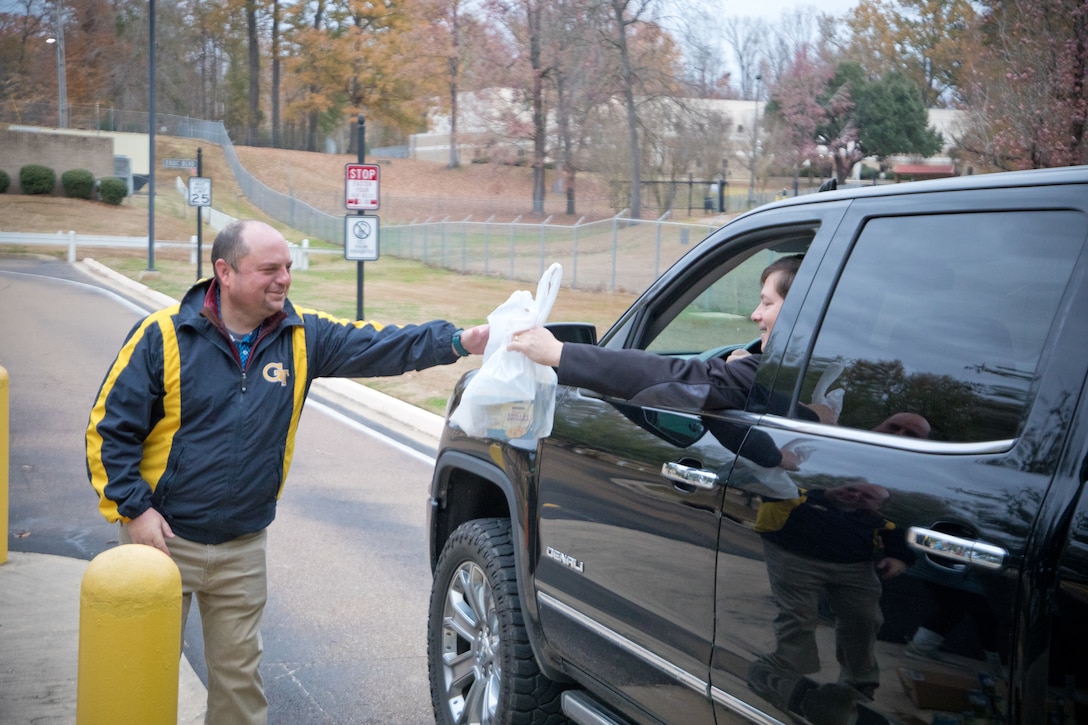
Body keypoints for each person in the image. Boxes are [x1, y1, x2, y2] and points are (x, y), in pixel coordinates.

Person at [85, 219, 489, 725]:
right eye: (269, 269)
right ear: (224, 272)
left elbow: (381, 346)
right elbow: (107, 433)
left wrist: (458, 341)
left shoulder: (303, 335)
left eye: (288, 269)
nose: (283, 280)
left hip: (242, 545)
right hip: (161, 542)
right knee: (141, 678)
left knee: (239, 685)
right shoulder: (162, 335)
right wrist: (136, 511)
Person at [508, 254, 818, 468]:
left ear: (798, 313)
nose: (755, 314)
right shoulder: (818, 370)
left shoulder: (766, 374)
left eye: (767, 302)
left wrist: (562, 353)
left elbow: (677, 378)